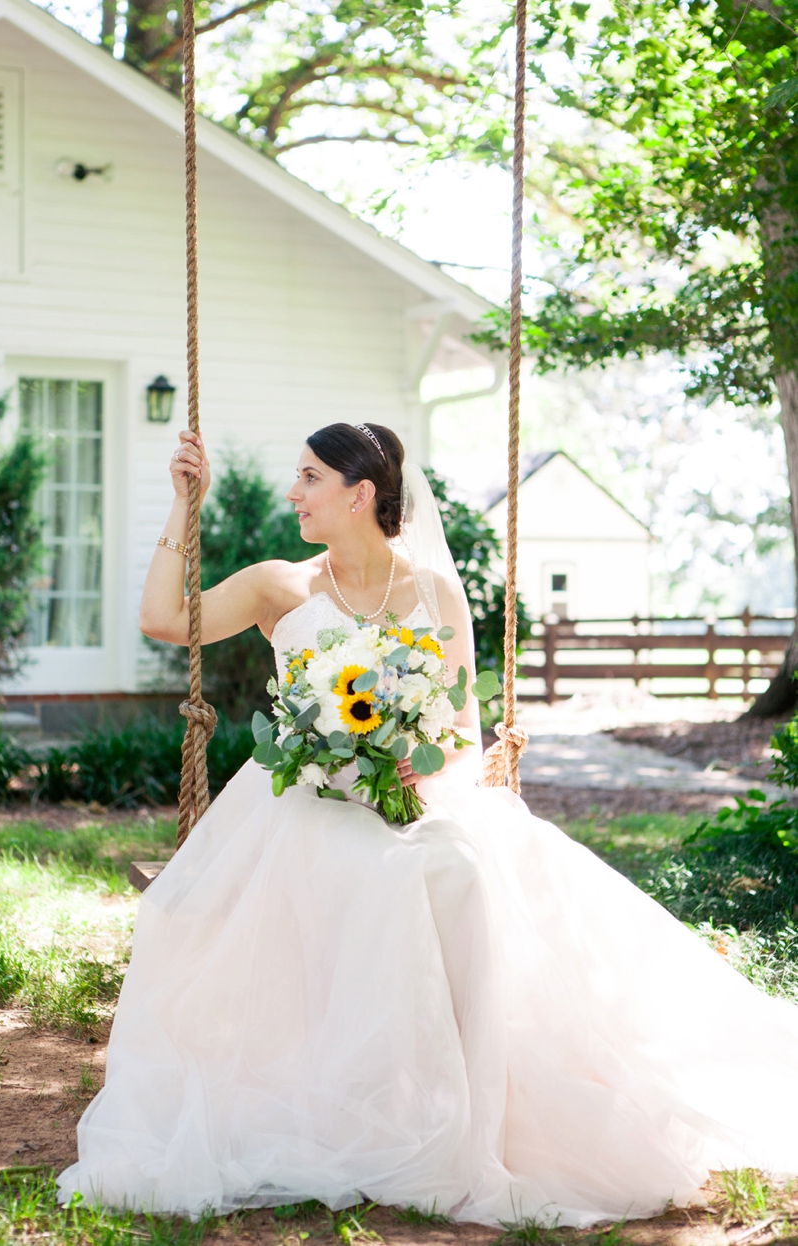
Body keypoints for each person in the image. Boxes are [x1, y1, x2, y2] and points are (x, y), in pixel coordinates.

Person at [58, 422, 798, 1230]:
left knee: (461, 869)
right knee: (382, 878)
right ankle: (360, 1108)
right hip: (306, 805)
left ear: (358, 493)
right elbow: (166, 619)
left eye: (308, 478)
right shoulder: (282, 585)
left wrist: (411, 761)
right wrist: (182, 502)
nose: (293, 493)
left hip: (410, 803)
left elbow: (454, 736)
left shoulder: (433, 594)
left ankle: (461, 1115)